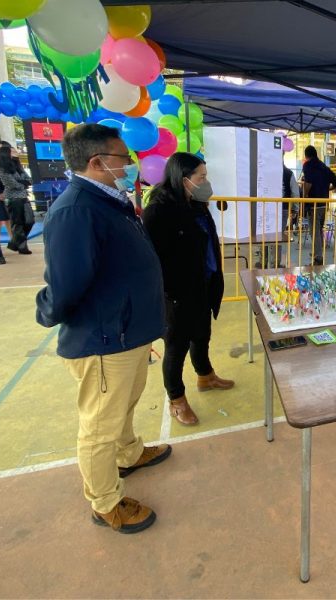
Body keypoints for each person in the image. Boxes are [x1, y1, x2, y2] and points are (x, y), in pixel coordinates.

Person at [35, 124, 170, 534]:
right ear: (97, 162)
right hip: (104, 338)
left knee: (125, 403)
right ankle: (105, 502)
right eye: (122, 159)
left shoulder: (110, 201)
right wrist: (47, 311)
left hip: (128, 332)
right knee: (99, 425)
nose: (129, 166)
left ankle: (128, 453)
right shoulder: (77, 209)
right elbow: (66, 284)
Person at [142, 152, 234, 427]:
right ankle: (177, 400)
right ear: (184, 180)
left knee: (202, 334)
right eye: (201, 177)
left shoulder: (196, 203)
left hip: (203, 284)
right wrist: (169, 292)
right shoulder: (158, 211)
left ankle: (205, 375)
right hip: (176, 293)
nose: (206, 182)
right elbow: (154, 259)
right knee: (176, 347)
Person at [300, 145, 336, 265]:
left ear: (306, 156)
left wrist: (305, 197)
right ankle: (318, 252)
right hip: (324, 204)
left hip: (314, 204)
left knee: (314, 231)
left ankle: (318, 257)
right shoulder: (324, 167)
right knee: (319, 230)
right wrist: (327, 190)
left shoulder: (307, 165)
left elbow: (307, 183)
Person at [0, 145, 33, 254]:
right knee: (18, 223)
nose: (15, 152)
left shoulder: (18, 166)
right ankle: (22, 246)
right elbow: (11, 184)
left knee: (29, 220)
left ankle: (14, 243)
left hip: (23, 197)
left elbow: (29, 179)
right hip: (13, 198)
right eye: (12, 151)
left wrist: (23, 183)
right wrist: (23, 184)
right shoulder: (3, 169)